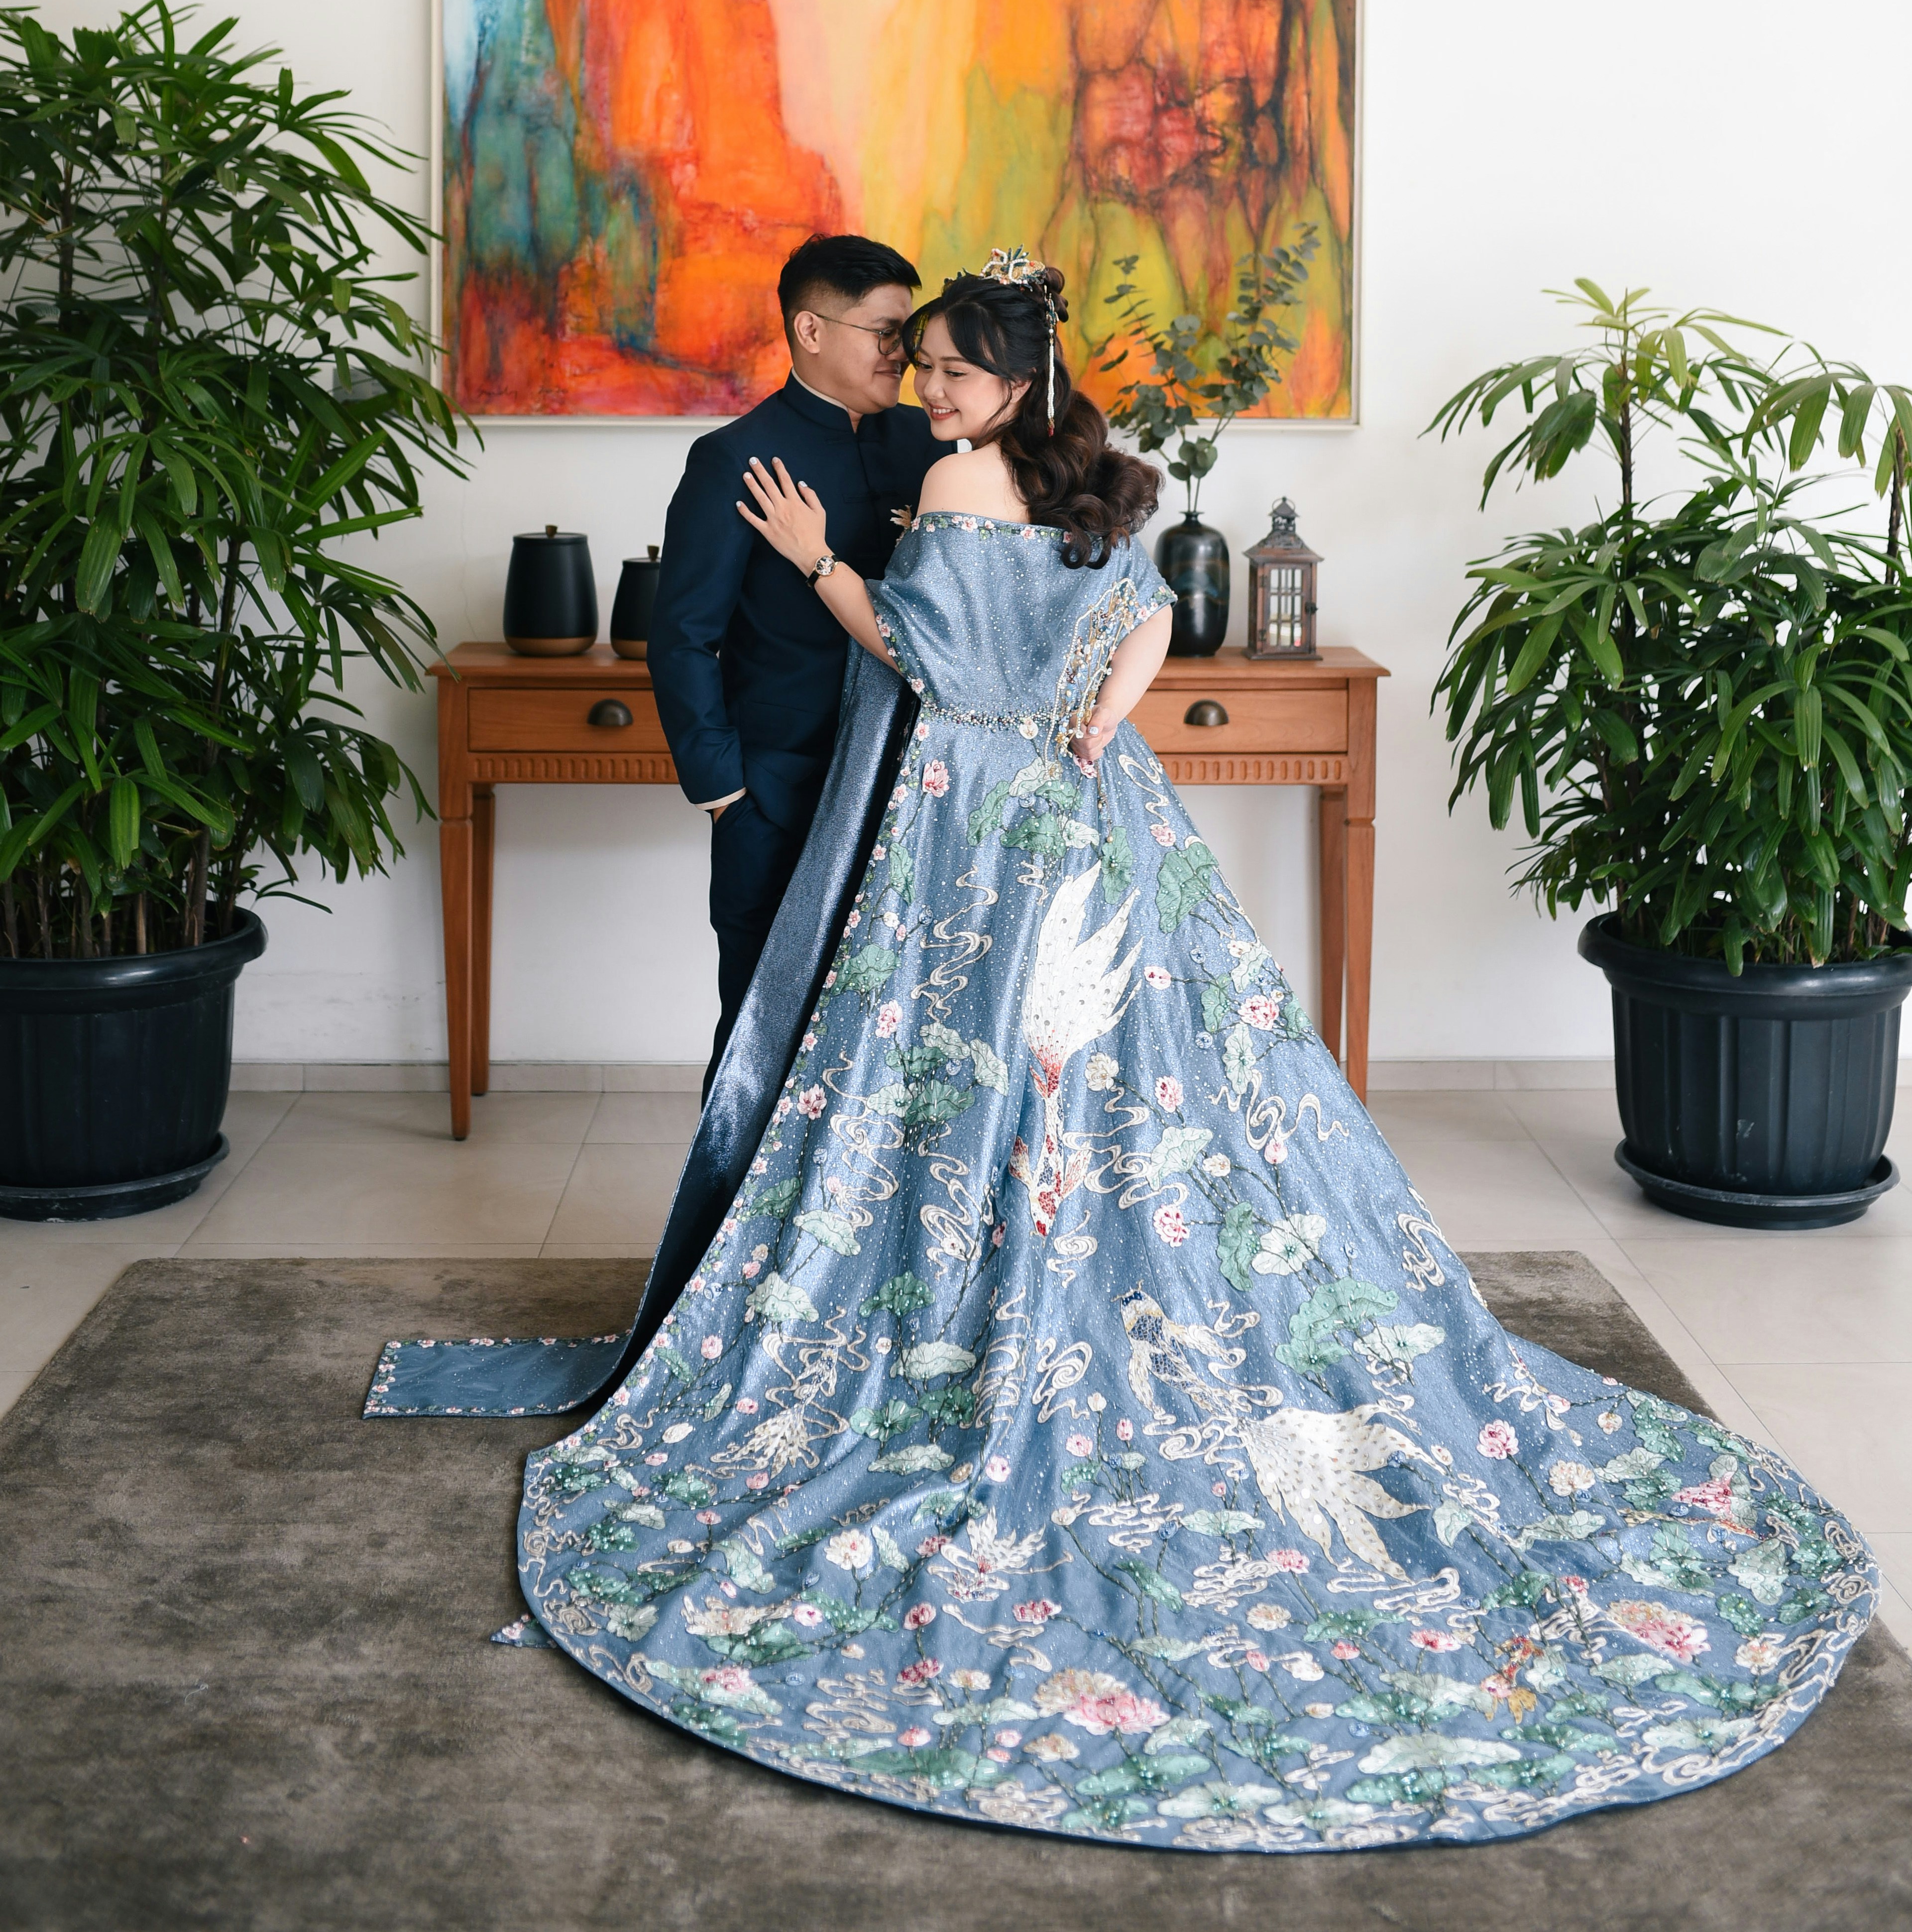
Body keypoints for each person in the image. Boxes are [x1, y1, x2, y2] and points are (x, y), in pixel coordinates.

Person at [371, 253, 1870, 1853]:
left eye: (945, 363)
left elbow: (931, 661)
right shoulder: (1062, 478)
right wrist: (1091, 726)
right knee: (1135, 1083)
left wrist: (820, 565)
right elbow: (1142, 611)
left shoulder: (943, 471)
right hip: (1086, 817)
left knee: (925, 1088)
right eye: (914, 358)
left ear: (1003, 382)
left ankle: (947, 1303)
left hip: (970, 828)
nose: (925, 384)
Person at [647, 234, 938, 1094]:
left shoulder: (931, 448)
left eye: (906, 333)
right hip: (776, 792)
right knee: (760, 1033)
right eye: (884, 333)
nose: (903, 354)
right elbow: (682, 636)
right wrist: (724, 791)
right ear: (810, 331)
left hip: (908, 789)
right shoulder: (732, 457)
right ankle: (720, 1231)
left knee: (894, 1035)